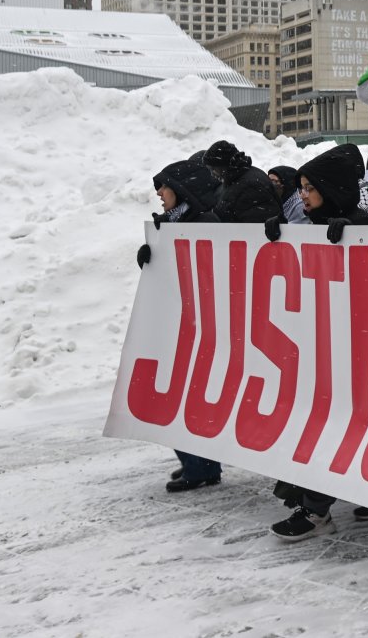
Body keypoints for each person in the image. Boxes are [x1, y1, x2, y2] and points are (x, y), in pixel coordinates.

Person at [262, 143, 368, 539]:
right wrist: (276, 238)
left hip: (360, 349)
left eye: (308, 188)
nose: (301, 195)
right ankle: (327, 500)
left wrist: (354, 235)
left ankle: (316, 510)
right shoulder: (315, 227)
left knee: (336, 427)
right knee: (323, 426)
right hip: (328, 348)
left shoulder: (363, 226)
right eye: (299, 188)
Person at [138, 159, 226, 493]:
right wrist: (151, 258)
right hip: (183, 320)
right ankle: (200, 463)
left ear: (182, 188)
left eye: (164, 186)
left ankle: (200, 465)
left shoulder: (203, 222)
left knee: (186, 394)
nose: (159, 194)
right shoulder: (176, 223)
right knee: (184, 394)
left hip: (200, 322)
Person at [202, 140, 282, 224]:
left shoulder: (250, 186)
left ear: (224, 165)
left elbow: (256, 227)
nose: (212, 174)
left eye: (213, 169)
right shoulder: (235, 178)